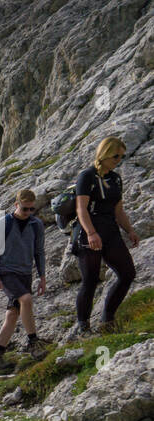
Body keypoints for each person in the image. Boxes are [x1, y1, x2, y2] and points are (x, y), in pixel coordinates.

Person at [70, 136, 140, 336]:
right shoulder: (87, 176)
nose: (118, 160)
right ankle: (83, 327)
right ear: (105, 154)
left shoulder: (116, 178)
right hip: (88, 232)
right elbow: (81, 208)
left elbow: (119, 210)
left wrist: (130, 230)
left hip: (111, 232)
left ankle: (107, 319)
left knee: (127, 274)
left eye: (121, 157)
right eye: (116, 156)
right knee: (90, 280)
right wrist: (91, 233)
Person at [0, 189, 49, 371]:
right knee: (26, 300)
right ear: (16, 205)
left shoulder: (36, 225)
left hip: (25, 273)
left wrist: (42, 276)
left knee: (13, 314)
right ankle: (33, 342)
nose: (28, 213)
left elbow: (39, 252)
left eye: (32, 209)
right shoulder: (4, 222)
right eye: (25, 209)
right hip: (6, 272)